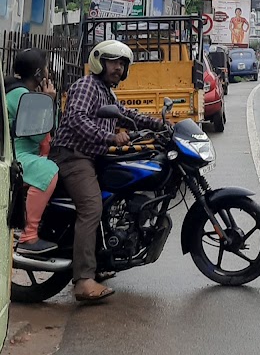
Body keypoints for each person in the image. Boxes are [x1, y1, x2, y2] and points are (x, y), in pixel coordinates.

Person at [50, 40, 160, 304]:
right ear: (100, 62)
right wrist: (110, 137)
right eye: (114, 62)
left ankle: (100, 261)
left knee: (113, 200)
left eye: (122, 64)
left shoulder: (107, 92)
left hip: (93, 157)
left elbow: (126, 114)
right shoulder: (87, 86)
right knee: (91, 207)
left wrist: (161, 124)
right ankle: (84, 280)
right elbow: (76, 119)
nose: (118, 68)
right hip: (73, 156)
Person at [5, 48, 59, 260]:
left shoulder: (18, 91)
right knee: (48, 170)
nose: (48, 72)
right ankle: (29, 235)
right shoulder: (22, 95)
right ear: (38, 73)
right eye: (45, 68)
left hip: (19, 149)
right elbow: (37, 134)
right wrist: (48, 101)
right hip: (18, 153)